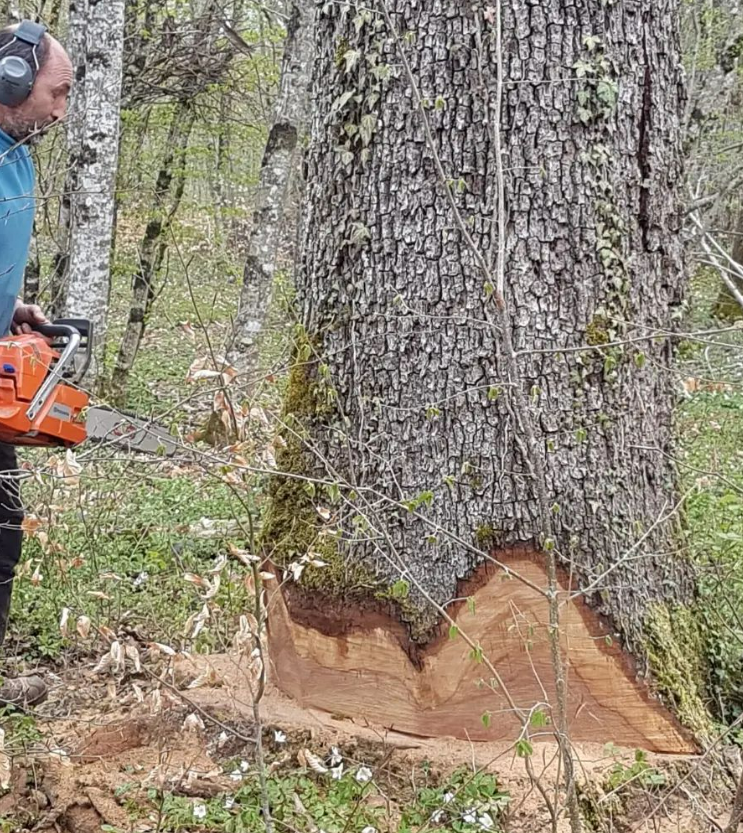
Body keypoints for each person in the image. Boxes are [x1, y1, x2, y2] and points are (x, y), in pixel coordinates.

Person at [0, 21, 72, 706]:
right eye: (57, 92)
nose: (60, 108)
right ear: (12, 81)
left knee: (0, 536)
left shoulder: (18, 155)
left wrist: (13, 305)